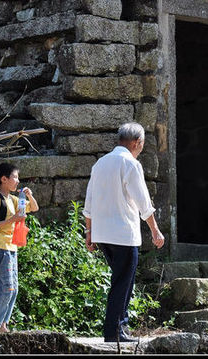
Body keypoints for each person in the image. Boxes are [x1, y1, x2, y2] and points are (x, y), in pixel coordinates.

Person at [83, 122, 165, 343]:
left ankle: (119, 328)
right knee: (123, 283)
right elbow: (143, 202)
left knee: (119, 280)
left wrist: (89, 232)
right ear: (137, 142)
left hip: (102, 235)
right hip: (123, 235)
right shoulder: (130, 163)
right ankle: (115, 331)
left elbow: (88, 203)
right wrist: (155, 230)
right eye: (142, 144)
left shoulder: (100, 163)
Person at [0, 162, 39, 332]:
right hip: (1, 248)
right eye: (15, 177)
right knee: (5, 288)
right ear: (4, 179)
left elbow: (34, 208)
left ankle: (2, 325)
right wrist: (11, 220)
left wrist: (29, 196)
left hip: (12, 248)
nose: (17, 181)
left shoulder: (14, 199)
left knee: (13, 290)